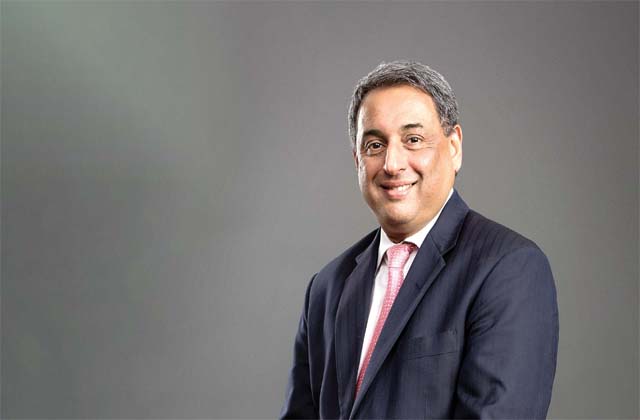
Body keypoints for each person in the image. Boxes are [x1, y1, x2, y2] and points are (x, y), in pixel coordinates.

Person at [280, 61, 558, 419]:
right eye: (375, 144)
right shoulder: (327, 287)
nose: (392, 164)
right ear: (357, 161)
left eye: (413, 140)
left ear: (454, 147)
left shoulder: (508, 269)